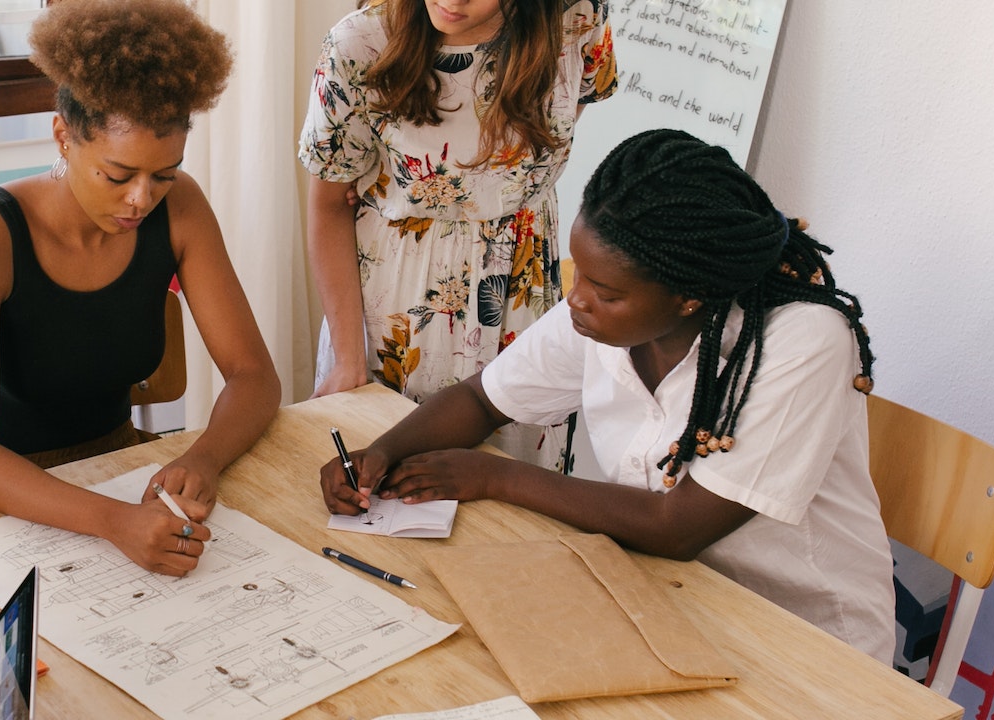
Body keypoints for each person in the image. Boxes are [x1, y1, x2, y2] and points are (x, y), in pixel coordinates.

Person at [319, 130, 897, 662]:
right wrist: (382, 454)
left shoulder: (802, 340)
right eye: (580, 277)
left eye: (604, 291)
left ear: (689, 296)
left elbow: (677, 527)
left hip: (805, 642)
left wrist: (493, 476)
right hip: (669, 599)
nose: (576, 300)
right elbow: (481, 401)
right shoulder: (602, 317)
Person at [0, 0, 280, 578]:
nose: (142, 198)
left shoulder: (181, 207)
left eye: (163, 175)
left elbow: (254, 375)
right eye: (118, 175)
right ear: (63, 137)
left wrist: (204, 458)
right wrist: (113, 521)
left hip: (117, 466)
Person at [300, 0, 618, 467]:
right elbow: (328, 206)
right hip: (397, 309)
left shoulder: (579, 19)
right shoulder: (358, 44)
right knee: (379, 488)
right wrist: (349, 360)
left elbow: (558, 126)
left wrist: (500, 190)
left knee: (512, 501)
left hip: (521, 295)